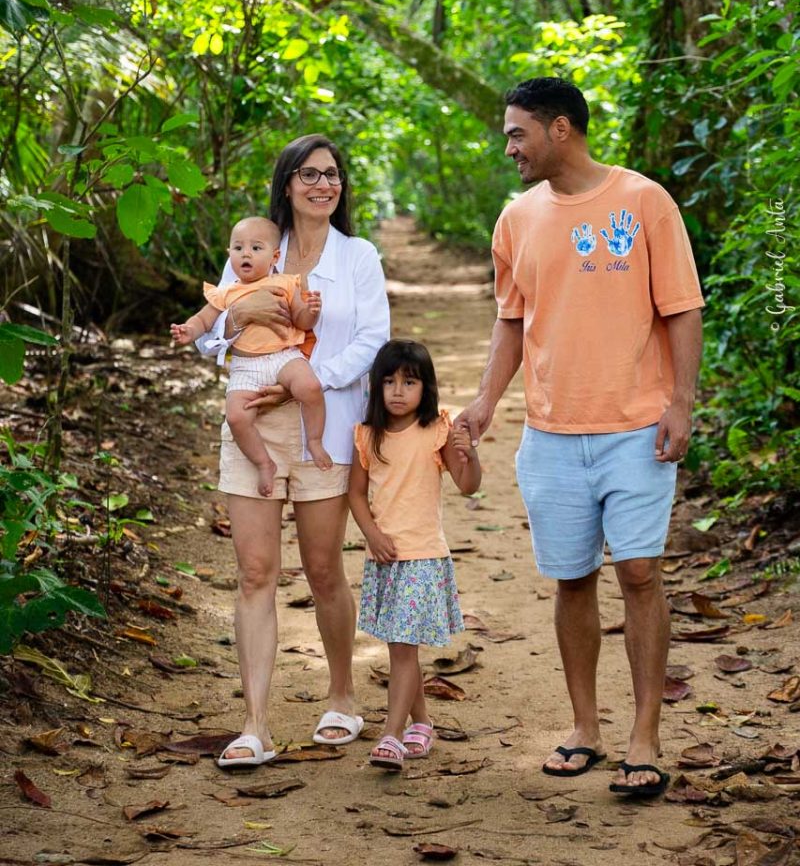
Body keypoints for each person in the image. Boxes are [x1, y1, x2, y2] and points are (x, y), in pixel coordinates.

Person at [458, 77, 704, 800]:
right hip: (552, 433)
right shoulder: (516, 219)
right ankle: (585, 727)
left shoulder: (644, 201)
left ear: (559, 129)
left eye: (517, 134)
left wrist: (681, 403)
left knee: (640, 574)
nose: (509, 148)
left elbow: (682, 309)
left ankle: (645, 736)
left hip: (636, 427)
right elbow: (511, 321)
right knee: (572, 579)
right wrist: (485, 402)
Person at [199, 135, 390, 768]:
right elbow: (210, 333)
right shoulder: (256, 242)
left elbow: (373, 340)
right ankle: (255, 725)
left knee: (323, 568)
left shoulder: (357, 256)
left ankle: (342, 697)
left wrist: (305, 382)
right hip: (251, 424)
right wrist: (239, 317)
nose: (322, 184)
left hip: (323, 423)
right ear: (287, 182)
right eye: (309, 174)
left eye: (332, 174)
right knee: (255, 573)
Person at [349, 339, 481, 771]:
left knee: (404, 649)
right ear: (376, 386)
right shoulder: (367, 435)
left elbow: (468, 485)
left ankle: (391, 735)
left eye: (409, 382)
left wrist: (469, 453)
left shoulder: (437, 431)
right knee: (401, 650)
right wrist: (371, 534)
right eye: (388, 381)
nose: (398, 391)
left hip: (423, 556)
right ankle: (421, 723)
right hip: (385, 558)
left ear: (426, 388)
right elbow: (356, 494)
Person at [171, 216, 332, 495]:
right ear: (229, 254)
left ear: (275, 257)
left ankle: (315, 441)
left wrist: (311, 311)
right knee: (236, 417)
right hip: (245, 366)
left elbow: (301, 321)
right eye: (238, 248)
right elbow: (204, 320)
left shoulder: (285, 284)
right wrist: (188, 330)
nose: (246, 254)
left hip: (283, 356)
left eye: (256, 248)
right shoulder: (226, 292)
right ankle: (263, 463)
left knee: (310, 387)